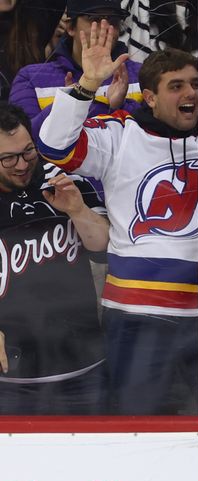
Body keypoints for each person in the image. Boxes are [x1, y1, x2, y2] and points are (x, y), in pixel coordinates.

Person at [37, 13, 198, 414]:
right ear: (149, 97)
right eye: (176, 86)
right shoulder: (119, 133)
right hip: (137, 315)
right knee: (135, 427)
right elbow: (54, 147)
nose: (191, 93)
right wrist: (87, 85)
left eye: (196, 84)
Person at [0, 102, 107, 414]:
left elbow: (103, 249)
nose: (22, 165)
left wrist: (77, 209)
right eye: (8, 158)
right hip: (10, 379)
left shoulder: (66, 181)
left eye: (28, 152)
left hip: (83, 366)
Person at [9, 0, 142, 138]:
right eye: (94, 19)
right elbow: (22, 140)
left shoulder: (139, 74)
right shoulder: (30, 77)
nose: (106, 27)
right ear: (70, 27)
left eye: (113, 20)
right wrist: (72, 101)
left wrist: (120, 106)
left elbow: (156, 139)